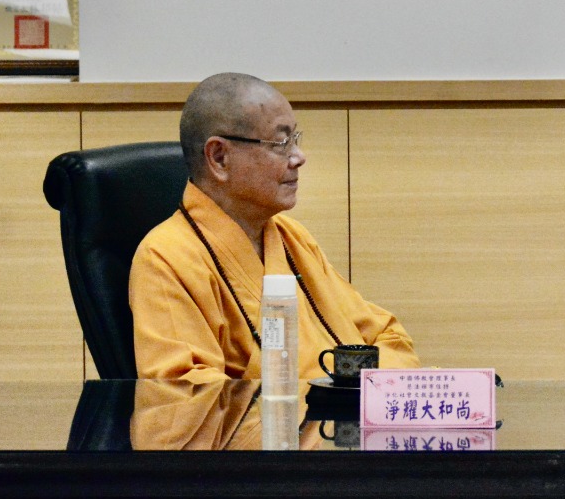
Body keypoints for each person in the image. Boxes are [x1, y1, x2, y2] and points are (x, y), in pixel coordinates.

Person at [130, 72, 420, 383]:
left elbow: (386, 337)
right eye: (281, 143)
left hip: (337, 422)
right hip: (268, 429)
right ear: (219, 157)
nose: (299, 157)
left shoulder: (292, 238)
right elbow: (185, 395)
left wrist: (356, 390)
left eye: (295, 139)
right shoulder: (165, 258)